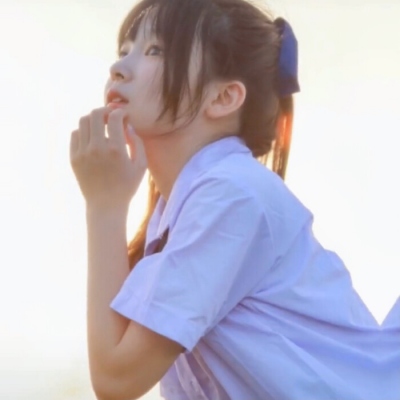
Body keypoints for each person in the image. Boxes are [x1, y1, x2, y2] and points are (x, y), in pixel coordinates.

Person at [69, 0, 400, 399]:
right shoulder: (184, 208)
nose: (119, 67)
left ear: (224, 97)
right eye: (124, 50)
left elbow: (117, 379)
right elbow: (118, 361)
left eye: (154, 50)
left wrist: (105, 206)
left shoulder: (231, 195)